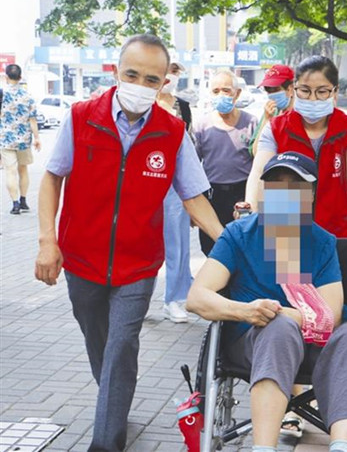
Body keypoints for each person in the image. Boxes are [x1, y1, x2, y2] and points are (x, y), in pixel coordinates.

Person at [34, 34, 224, 451]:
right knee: (99, 343)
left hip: (138, 264)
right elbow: (52, 177)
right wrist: (48, 240)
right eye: (132, 74)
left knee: (121, 346)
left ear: (163, 83)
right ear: (116, 72)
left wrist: (229, 242)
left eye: (151, 79)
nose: (140, 85)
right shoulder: (81, 117)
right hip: (81, 258)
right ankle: (115, 399)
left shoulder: (172, 132)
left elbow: (194, 197)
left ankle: (106, 440)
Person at [186, 152, 347, 452]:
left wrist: (281, 312)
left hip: (315, 345)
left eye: (295, 186)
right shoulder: (239, 235)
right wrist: (246, 311)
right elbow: (197, 297)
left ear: (310, 196)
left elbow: (331, 315)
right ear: (264, 191)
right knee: (280, 329)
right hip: (254, 342)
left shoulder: (322, 242)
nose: (284, 193)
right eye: (275, 184)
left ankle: (342, 446)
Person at [243, 55, 347, 316]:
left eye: (322, 91)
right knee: (289, 304)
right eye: (305, 90)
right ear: (294, 89)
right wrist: (250, 207)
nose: (313, 98)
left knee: (338, 307)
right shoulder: (277, 128)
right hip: (286, 230)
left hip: (340, 233)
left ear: (335, 92)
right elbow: (259, 171)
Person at [194, 70, 258, 256]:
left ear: (237, 93)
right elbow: (193, 166)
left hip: (242, 195)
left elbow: (259, 164)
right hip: (212, 195)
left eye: (226, 90)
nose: (221, 95)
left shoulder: (251, 123)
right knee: (212, 248)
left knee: (244, 246)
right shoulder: (202, 125)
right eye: (216, 91)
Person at [157, 62, 195, 323]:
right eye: (167, 71)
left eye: (175, 72)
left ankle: (175, 298)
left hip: (175, 183)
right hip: (147, 179)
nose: (171, 77)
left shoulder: (183, 106)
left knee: (177, 243)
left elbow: (190, 147)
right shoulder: (144, 104)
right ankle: (136, 296)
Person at [0, 64, 41, 215]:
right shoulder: (28, 96)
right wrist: (37, 138)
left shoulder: (2, 94)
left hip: (6, 139)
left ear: (6, 77)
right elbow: (33, 120)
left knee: (10, 172)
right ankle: (23, 200)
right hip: (24, 140)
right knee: (23, 170)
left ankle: (15, 204)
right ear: (20, 77)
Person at [249, 64, 295, 157]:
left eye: (276, 89)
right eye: (268, 90)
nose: (272, 95)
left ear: (290, 89)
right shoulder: (271, 113)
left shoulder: (302, 114)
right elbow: (256, 152)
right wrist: (266, 120)